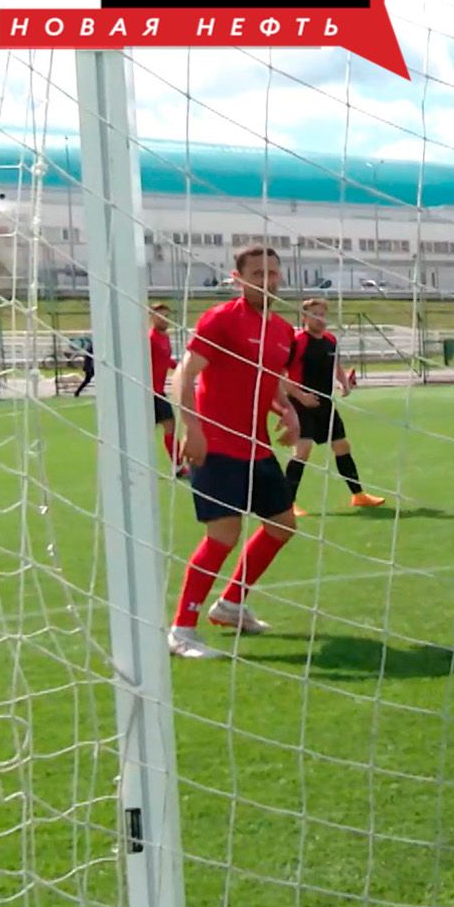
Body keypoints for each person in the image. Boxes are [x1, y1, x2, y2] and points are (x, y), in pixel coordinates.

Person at [167, 245, 303, 660]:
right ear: (238, 277)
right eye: (258, 272)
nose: (268, 279)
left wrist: (290, 412)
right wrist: (192, 428)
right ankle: (181, 631)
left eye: (274, 272)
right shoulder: (221, 319)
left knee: (282, 526)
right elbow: (184, 375)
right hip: (218, 444)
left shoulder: (282, 330)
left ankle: (229, 605)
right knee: (223, 535)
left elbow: (269, 384)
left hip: (257, 448)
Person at [283, 299, 386, 516]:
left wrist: (344, 383)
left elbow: (335, 365)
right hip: (301, 404)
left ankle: (358, 495)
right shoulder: (297, 341)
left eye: (322, 314)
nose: (320, 319)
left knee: (342, 446)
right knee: (303, 451)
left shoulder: (330, 340)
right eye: (315, 314)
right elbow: (280, 376)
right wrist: (301, 397)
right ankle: (286, 504)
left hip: (325, 404)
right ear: (304, 317)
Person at [148, 303, 182, 473]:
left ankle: (177, 465)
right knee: (148, 431)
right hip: (148, 392)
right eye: (160, 316)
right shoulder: (150, 338)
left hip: (159, 392)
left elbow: (165, 358)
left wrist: (179, 366)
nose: (164, 320)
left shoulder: (164, 337)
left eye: (166, 316)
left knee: (171, 426)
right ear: (152, 317)